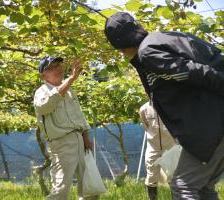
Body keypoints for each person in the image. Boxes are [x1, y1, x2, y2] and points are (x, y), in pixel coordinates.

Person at [104, 12, 224, 199]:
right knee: (203, 187)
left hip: (212, 124)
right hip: (212, 119)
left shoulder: (148, 52)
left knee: (183, 186)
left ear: (120, 45)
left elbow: (194, 72)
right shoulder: (161, 39)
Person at [33, 56, 99, 200]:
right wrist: (71, 79)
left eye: (59, 66)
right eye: (52, 67)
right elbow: (45, 107)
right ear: (43, 74)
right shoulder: (41, 92)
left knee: (90, 187)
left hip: (80, 140)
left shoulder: (69, 91)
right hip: (61, 143)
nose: (57, 69)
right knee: (61, 189)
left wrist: (86, 136)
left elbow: (78, 115)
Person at [139, 101, 176, 200]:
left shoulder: (170, 105)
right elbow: (146, 126)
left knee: (174, 176)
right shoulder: (143, 109)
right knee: (151, 177)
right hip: (153, 147)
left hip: (170, 146)